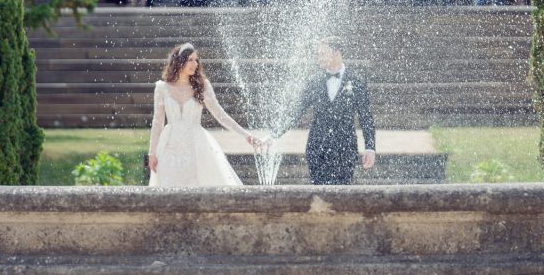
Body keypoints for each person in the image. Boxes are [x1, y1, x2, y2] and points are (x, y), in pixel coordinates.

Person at [148, 43, 259, 187]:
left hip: (196, 144)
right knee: (168, 187)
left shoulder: (202, 86)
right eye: (190, 60)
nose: (195, 64)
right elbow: (157, 122)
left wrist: (246, 135)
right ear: (179, 61)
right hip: (169, 146)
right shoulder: (162, 88)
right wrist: (152, 153)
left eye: (196, 60)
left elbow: (221, 115)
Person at [275, 38, 375, 185]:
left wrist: (370, 147)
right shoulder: (314, 81)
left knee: (343, 199)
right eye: (318, 54)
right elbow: (296, 111)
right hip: (317, 149)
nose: (319, 58)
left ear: (337, 53)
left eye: (323, 53)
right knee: (318, 197)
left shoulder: (356, 81)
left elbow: (365, 116)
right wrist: (274, 135)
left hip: (345, 149)